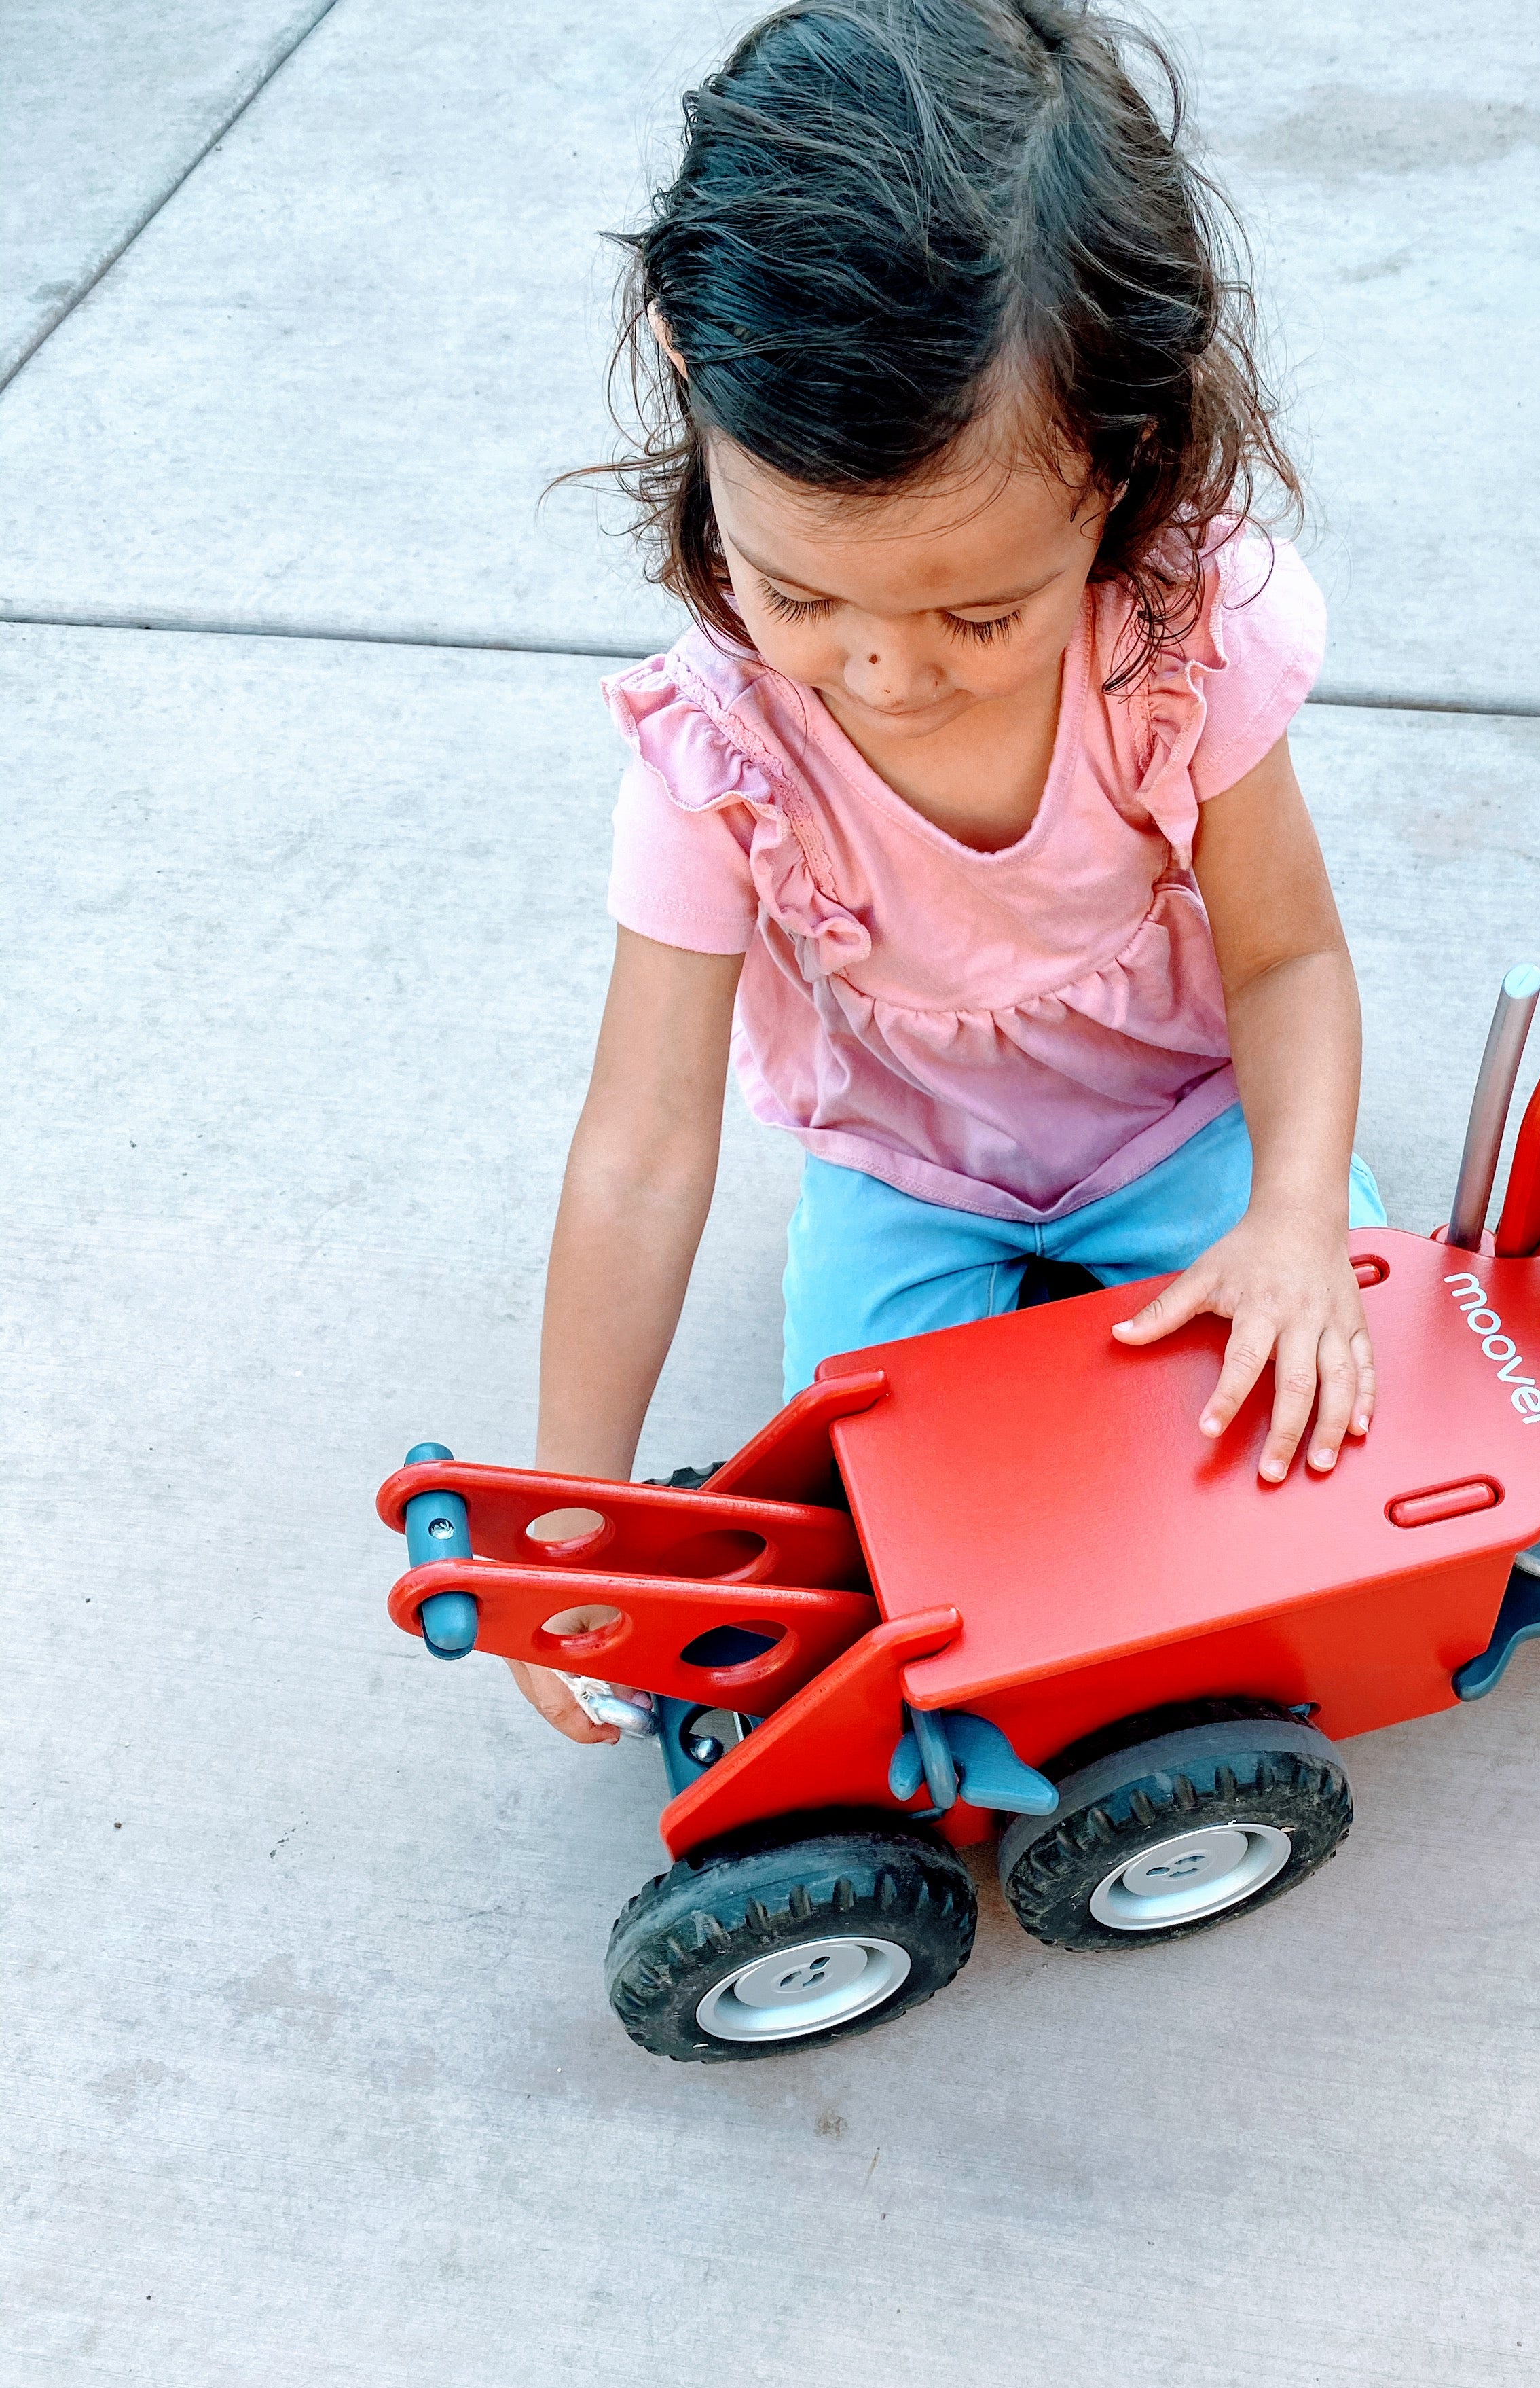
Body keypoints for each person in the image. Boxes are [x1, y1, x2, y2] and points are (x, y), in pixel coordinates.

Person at [517, 0, 1382, 1743]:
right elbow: (645, 1137)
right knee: (878, 1528)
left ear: (1121, 470)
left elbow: (1287, 956)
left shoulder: (1174, 642)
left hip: (1184, 1128)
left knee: (1356, 1427)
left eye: (980, 614)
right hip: (906, 1171)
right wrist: (573, 1509)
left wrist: (1292, 1218)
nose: (890, 671)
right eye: (802, 594)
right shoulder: (716, 755)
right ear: (694, 380)